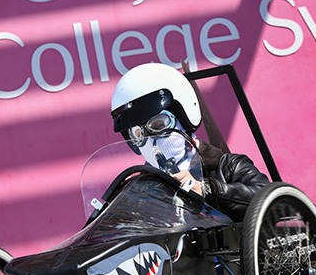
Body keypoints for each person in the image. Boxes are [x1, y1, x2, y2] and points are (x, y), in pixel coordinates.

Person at [110, 62, 269, 220]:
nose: (150, 140)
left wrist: (208, 190)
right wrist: (121, 207)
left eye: (159, 124)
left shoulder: (228, 167)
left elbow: (274, 202)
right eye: (138, 134)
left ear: (184, 117)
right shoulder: (139, 193)